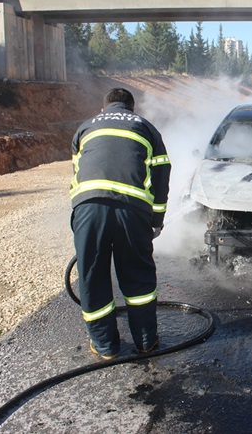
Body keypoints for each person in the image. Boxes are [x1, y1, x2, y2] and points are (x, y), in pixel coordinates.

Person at [69, 88, 171, 359]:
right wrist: (156, 221)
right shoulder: (145, 127)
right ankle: (146, 342)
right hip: (133, 211)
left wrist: (81, 219)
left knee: (92, 277)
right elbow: (161, 175)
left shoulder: (85, 127)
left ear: (104, 108)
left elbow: (77, 174)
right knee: (138, 277)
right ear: (131, 109)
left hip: (89, 210)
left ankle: (105, 347)